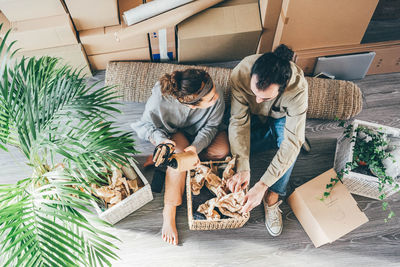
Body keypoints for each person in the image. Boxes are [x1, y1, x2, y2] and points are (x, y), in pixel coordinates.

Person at [131, 69, 229, 245]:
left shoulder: (216, 92)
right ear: (192, 105)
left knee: (221, 151)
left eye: (214, 92)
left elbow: (212, 127)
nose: (217, 97)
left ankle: (168, 162)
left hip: (199, 135)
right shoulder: (159, 100)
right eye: (211, 98)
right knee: (178, 157)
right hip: (173, 137)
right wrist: (163, 143)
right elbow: (147, 127)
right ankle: (169, 211)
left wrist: (194, 148)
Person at [227, 44, 308, 236]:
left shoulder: (298, 90)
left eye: (264, 97)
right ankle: (277, 137)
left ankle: (273, 196)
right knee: (228, 148)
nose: (257, 100)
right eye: (254, 93)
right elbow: (238, 121)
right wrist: (243, 167)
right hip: (250, 117)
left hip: (281, 118)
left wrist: (262, 185)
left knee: (291, 147)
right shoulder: (241, 73)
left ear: (284, 87)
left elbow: (291, 144)